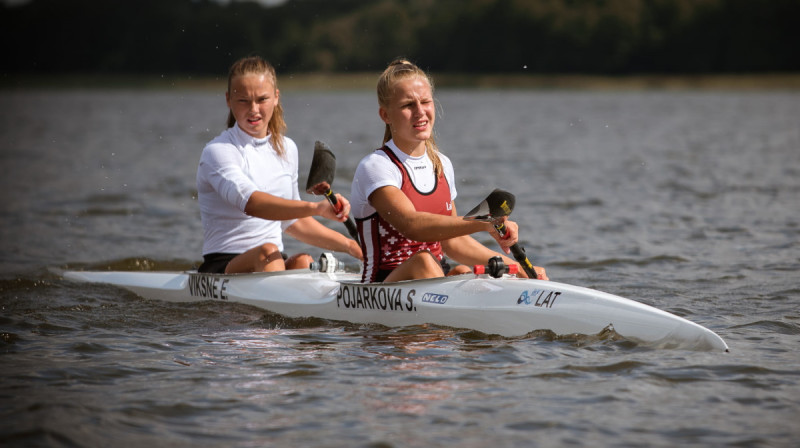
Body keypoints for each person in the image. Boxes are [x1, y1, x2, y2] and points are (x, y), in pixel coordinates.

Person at [350, 59, 548, 283]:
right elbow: (412, 226)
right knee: (424, 261)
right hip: (380, 289)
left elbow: (453, 242)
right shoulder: (376, 166)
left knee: (464, 271)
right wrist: (485, 222)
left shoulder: (441, 164)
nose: (420, 112)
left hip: (433, 280)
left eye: (425, 102)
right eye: (408, 105)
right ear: (385, 115)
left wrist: (517, 268)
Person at [196, 56, 362, 274]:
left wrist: (352, 247)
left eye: (262, 99)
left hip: (271, 261)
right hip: (223, 266)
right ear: (228, 100)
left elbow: (292, 221)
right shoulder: (218, 152)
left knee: (303, 260)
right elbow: (253, 204)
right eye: (243, 101)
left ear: (276, 97)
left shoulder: (287, 149)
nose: (254, 109)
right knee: (268, 252)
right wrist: (316, 208)